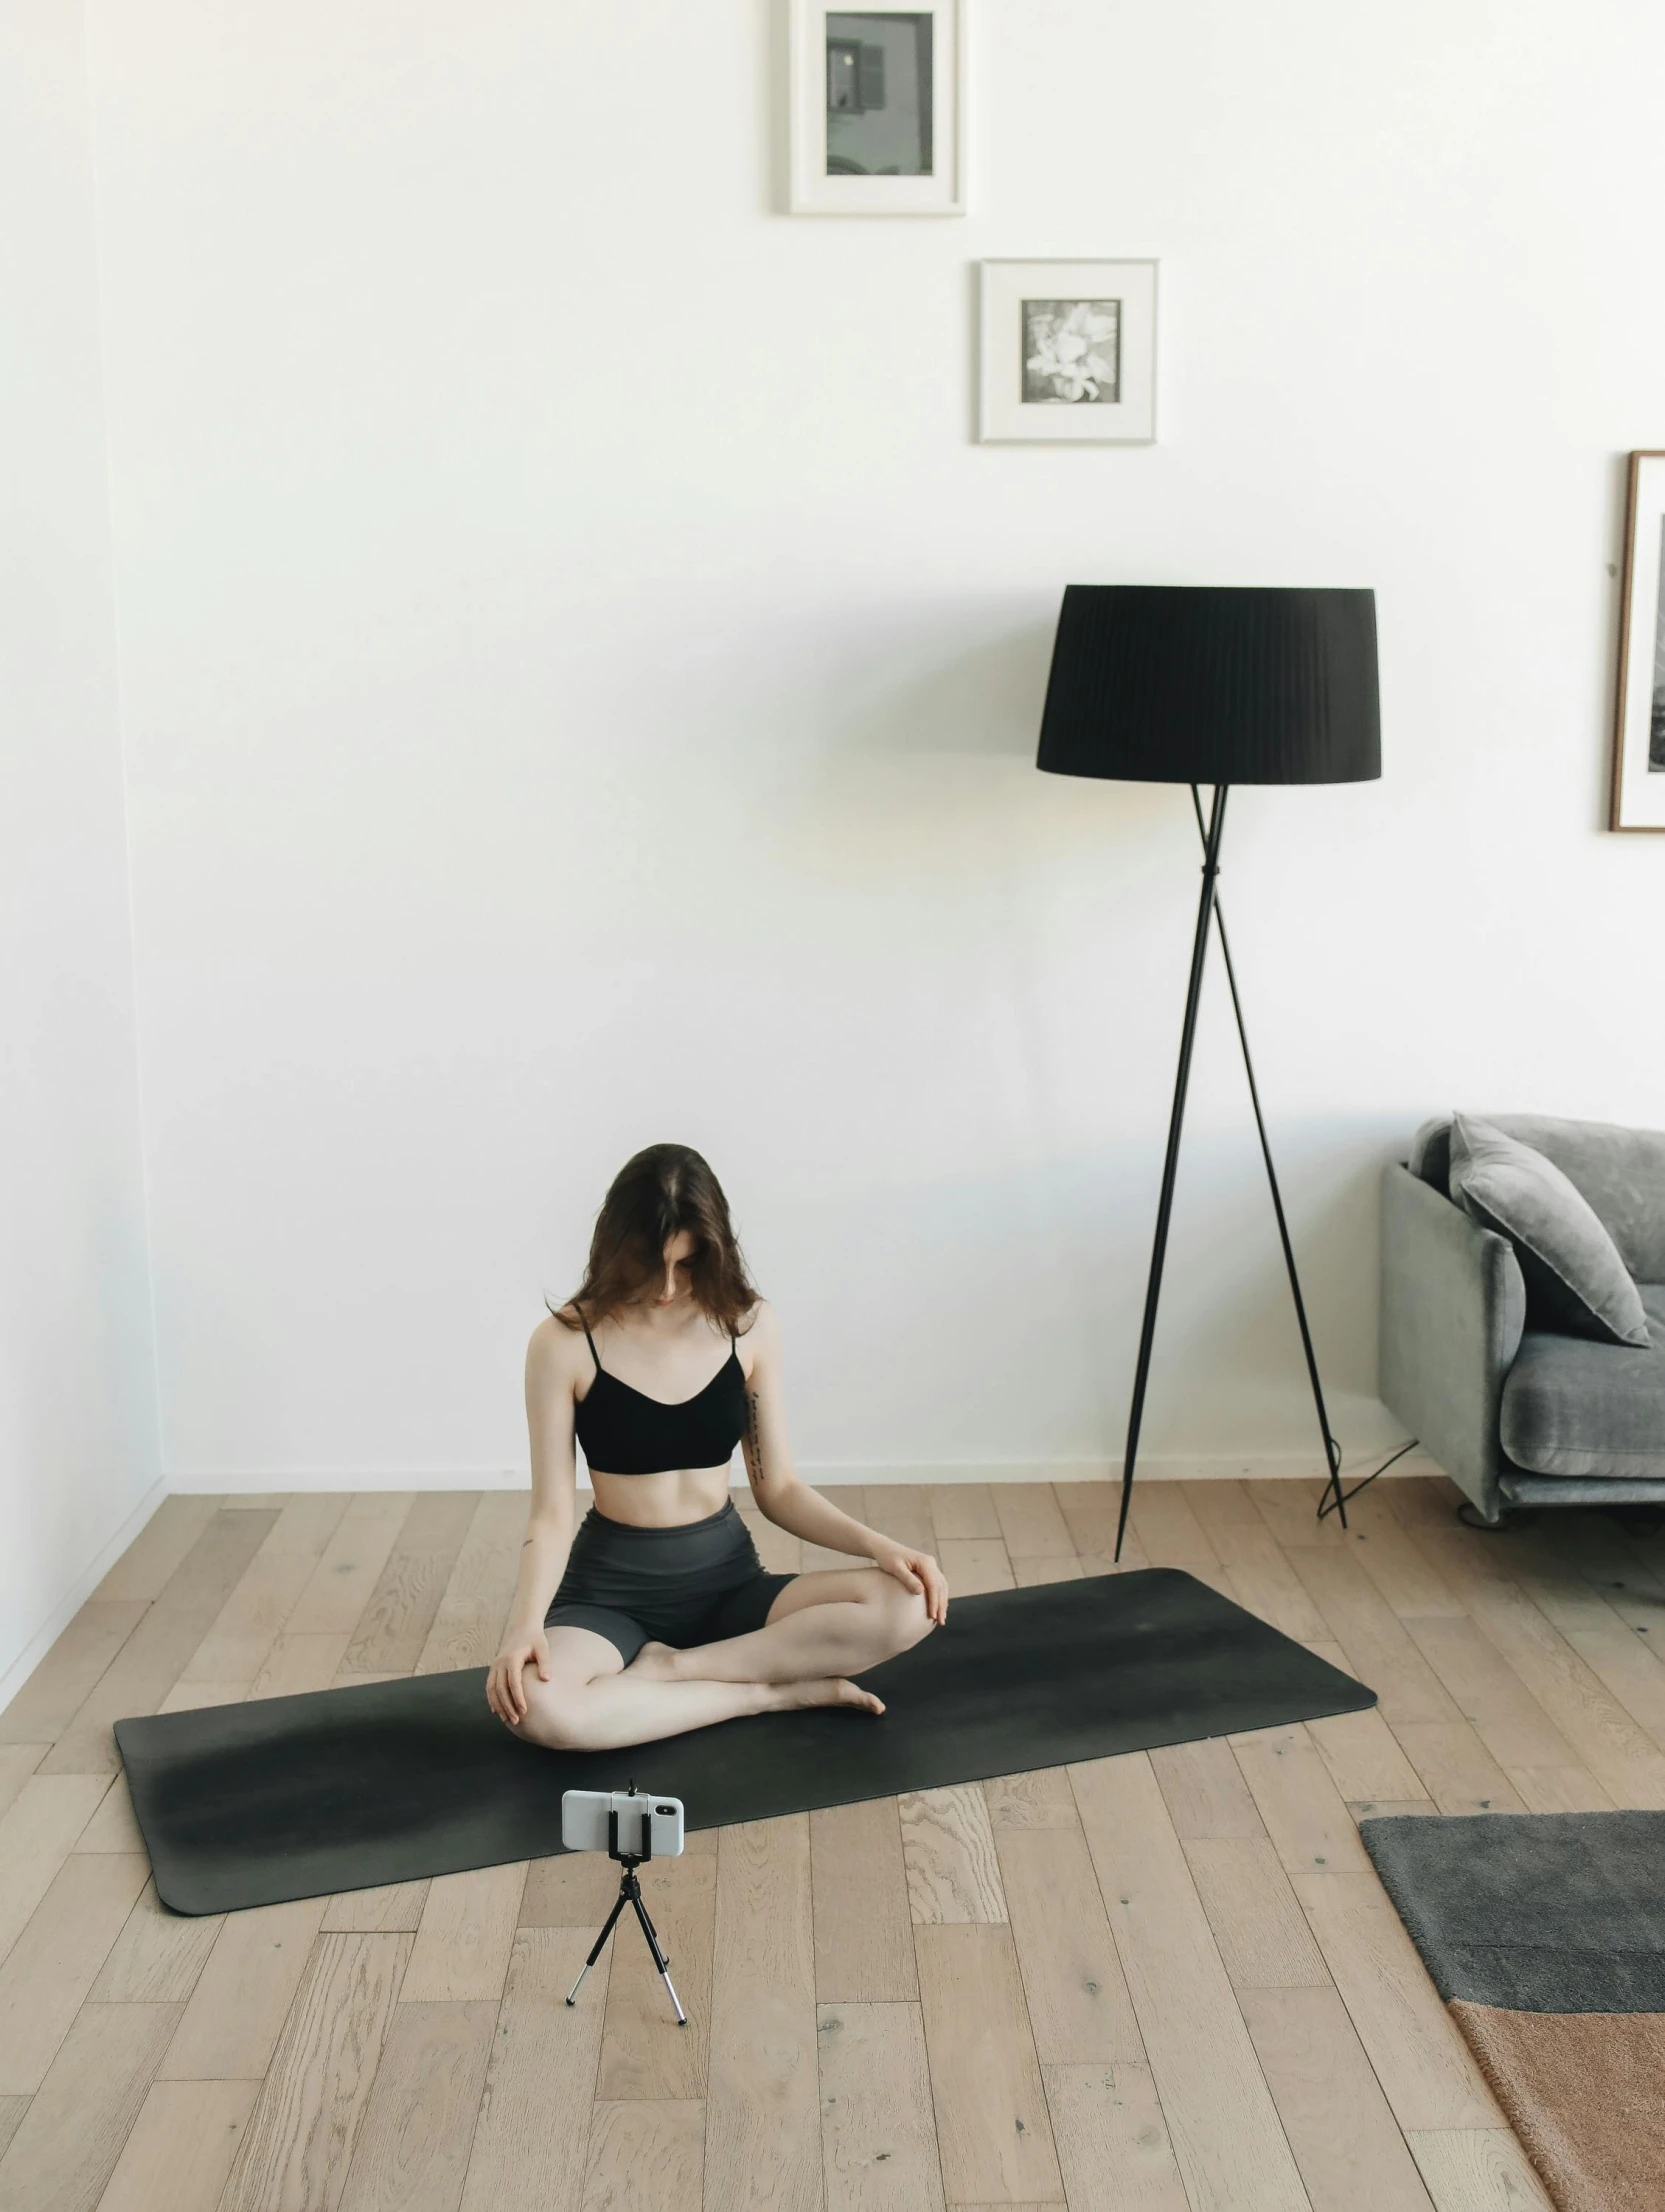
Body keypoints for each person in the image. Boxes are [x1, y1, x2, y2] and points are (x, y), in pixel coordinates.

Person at [486, 1143, 948, 1750]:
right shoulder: (565, 1343)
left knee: (910, 1605)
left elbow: (778, 1487)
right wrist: (523, 1625)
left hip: (729, 1585)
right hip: (610, 1597)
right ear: (615, 1244)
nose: (670, 1286)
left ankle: (674, 1673)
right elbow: (550, 1513)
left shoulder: (747, 1327)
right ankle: (763, 1692)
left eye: (688, 1262)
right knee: (538, 1708)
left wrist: (883, 1548)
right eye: (653, 1264)